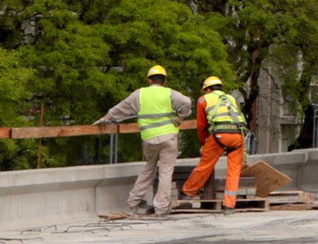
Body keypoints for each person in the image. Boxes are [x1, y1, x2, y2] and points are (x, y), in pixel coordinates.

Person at [96, 66, 191, 217]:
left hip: (149, 139)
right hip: (168, 138)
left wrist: (106, 118)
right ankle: (161, 208)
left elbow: (121, 108)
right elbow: (186, 102)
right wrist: (180, 117)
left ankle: (134, 201)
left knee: (148, 169)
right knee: (166, 172)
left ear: (149, 80)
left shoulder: (139, 94)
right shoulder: (169, 93)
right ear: (164, 81)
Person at [180, 75, 249, 210]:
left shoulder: (203, 99)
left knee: (205, 165)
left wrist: (204, 141)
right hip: (238, 135)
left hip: (219, 135)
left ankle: (188, 192)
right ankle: (229, 205)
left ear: (208, 89)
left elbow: (202, 125)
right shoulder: (232, 99)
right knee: (234, 170)